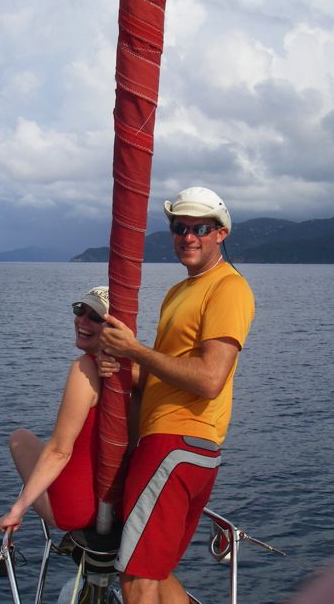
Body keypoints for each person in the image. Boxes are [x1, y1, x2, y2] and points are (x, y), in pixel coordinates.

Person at [99, 187, 255, 604]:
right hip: (178, 447)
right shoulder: (178, 292)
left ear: (221, 233)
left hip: (176, 443)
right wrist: (124, 369)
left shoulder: (228, 288)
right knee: (156, 571)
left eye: (200, 228)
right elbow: (163, 374)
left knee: (135, 578)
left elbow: (208, 379)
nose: (188, 236)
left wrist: (134, 350)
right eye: (179, 227)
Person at [0, 286, 109, 533]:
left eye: (95, 317)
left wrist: (17, 510)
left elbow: (60, 451)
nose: (82, 320)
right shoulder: (134, 371)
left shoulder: (85, 369)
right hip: (117, 508)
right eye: (80, 310)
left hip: (76, 510)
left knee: (20, 438)